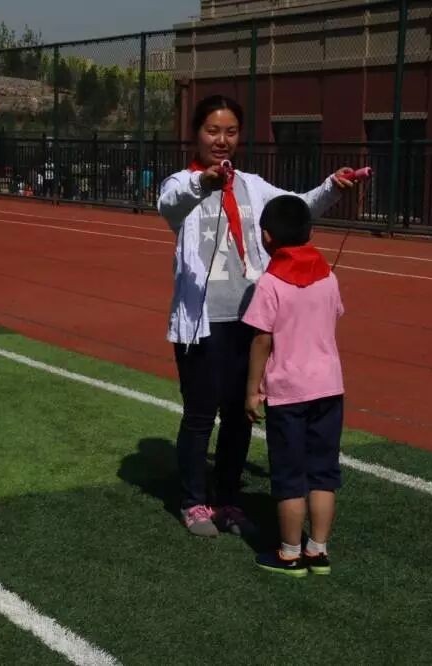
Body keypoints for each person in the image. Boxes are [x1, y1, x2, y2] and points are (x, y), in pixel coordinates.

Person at [156, 94, 357, 538]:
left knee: (238, 415)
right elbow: (169, 205)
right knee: (199, 416)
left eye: (230, 132)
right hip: (202, 324)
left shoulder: (251, 184)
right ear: (196, 134)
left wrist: (331, 186)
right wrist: (203, 183)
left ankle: (227, 498)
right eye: (213, 130)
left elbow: (295, 208)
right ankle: (193, 501)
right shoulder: (181, 183)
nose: (222, 140)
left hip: (249, 321)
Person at [243, 195, 345, 577]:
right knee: (323, 472)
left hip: (288, 392)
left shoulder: (270, 283)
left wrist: (252, 389)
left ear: (267, 237)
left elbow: (261, 339)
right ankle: (318, 550)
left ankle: (289, 553)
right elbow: (333, 315)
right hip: (329, 387)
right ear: (311, 232)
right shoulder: (329, 276)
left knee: (289, 475)